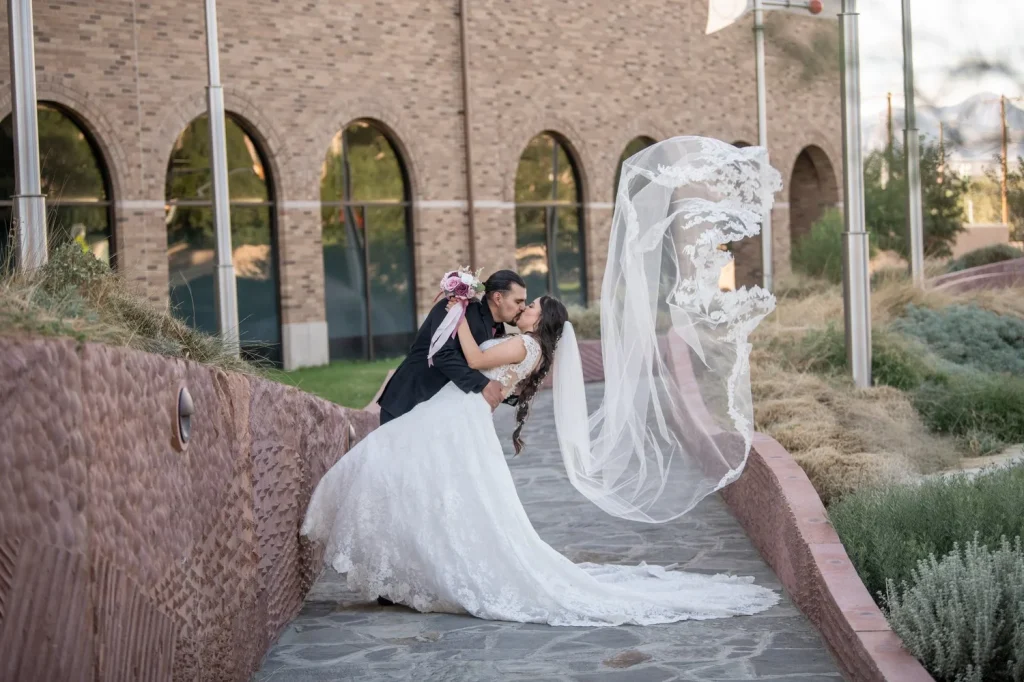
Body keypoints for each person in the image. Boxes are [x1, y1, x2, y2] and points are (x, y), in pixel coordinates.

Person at [301, 294, 780, 625]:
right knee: (434, 488)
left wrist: (454, 316)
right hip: (455, 414)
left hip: (458, 416)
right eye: (524, 303)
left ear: (539, 321)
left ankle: (423, 569)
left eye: (530, 307)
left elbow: (472, 358)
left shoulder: (526, 345)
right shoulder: (529, 345)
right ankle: (414, 567)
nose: (524, 309)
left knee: (397, 463)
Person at [375, 270, 527, 425]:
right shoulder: (456, 307)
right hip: (409, 402)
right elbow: (442, 354)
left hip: (442, 412)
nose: (523, 307)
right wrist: (483, 384)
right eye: (518, 301)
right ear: (498, 298)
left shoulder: (499, 328)